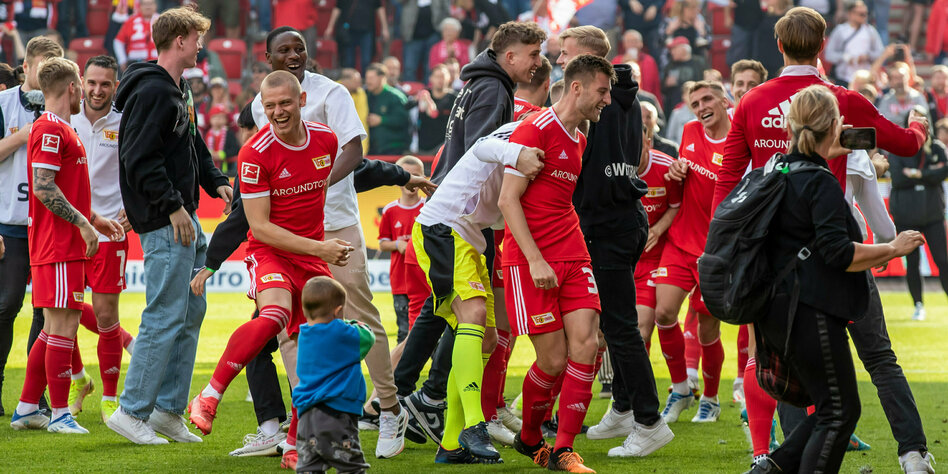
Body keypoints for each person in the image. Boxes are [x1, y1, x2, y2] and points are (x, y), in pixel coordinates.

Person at [713, 7, 934, 473]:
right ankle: (913, 453)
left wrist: (725, 249)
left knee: (791, 369)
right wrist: (919, 124)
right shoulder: (839, 99)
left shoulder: (752, 102)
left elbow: (727, 180)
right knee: (878, 358)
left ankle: (782, 461)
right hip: (838, 248)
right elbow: (905, 144)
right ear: (823, 44)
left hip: (778, 260)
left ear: (778, 46)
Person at [247, 26, 407, 464]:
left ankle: (389, 408)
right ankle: (308, 420)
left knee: (359, 313)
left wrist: (316, 185)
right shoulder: (262, 104)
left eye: (300, 47)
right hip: (289, 232)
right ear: (268, 58)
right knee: (290, 327)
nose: (294, 54)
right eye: (284, 49)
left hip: (335, 223)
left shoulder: (331, 92)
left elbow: (354, 151)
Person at [752, 84, 926, 474]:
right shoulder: (828, 178)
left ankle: (774, 465)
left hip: (781, 292)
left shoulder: (774, 166)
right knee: (867, 375)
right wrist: (891, 248)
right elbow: (842, 250)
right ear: (835, 125)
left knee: (813, 392)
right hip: (831, 287)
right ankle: (912, 452)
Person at [400, 20, 546, 451]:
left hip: (463, 226)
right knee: (472, 318)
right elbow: (482, 147)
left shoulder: (483, 85)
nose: (538, 63)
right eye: (533, 54)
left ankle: (441, 431)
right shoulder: (497, 92)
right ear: (509, 55)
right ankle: (455, 419)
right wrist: (516, 154)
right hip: (448, 223)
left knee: (477, 331)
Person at [187, 69, 351, 446]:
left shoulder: (326, 140)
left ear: (302, 101)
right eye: (270, 105)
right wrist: (321, 248)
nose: (278, 112)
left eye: (286, 103)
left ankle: (294, 443)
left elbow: (332, 184)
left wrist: (400, 177)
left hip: (311, 258)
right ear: (262, 107)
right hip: (272, 252)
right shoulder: (254, 153)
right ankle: (210, 395)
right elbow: (258, 227)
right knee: (274, 315)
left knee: (316, 353)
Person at [106, 5, 233, 446]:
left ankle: (166, 411)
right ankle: (132, 411)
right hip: (168, 220)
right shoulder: (153, 91)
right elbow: (138, 158)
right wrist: (174, 207)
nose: (202, 46)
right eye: (197, 39)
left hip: (184, 215)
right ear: (180, 40)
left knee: (190, 311)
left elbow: (191, 143)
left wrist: (215, 180)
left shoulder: (179, 89)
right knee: (164, 313)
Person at [552, 25, 673, 459]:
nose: (559, 60)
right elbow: (637, 160)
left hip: (606, 225)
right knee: (614, 323)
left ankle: (649, 421)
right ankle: (622, 406)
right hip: (627, 217)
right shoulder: (630, 98)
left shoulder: (591, 102)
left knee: (620, 326)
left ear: (587, 56)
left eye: (565, 52)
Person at [499, 54, 613, 473]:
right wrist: (534, 260)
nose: (607, 100)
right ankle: (530, 437)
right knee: (553, 361)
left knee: (588, 345)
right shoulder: (535, 128)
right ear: (576, 87)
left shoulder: (580, 137)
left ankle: (564, 449)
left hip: (572, 251)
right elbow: (507, 199)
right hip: (530, 260)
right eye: (602, 91)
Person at [11, 57, 124, 434]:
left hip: (62, 242)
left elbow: (64, 189)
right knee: (64, 325)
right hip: (57, 244)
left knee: (53, 328)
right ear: (73, 87)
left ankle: (28, 407)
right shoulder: (50, 128)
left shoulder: (59, 127)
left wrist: (94, 219)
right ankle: (60, 414)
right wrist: (83, 224)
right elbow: (44, 187)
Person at [653, 81, 729, 425]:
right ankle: (681, 389)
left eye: (707, 99)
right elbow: (682, 177)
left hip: (716, 252)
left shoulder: (738, 140)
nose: (701, 107)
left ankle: (710, 399)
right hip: (681, 240)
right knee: (664, 312)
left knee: (707, 331)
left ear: (724, 101)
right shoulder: (689, 131)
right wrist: (675, 173)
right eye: (695, 103)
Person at [66, 55, 134, 422]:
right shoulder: (65, 119)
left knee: (107, 317)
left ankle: (110, 398)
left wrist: (133, 209)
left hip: (110, 233)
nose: (97, 90)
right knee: (63, 311)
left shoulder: (125, 123)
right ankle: (79, 380)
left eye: (105, 84)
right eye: (91, 83)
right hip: (69, 229)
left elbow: (137, 171)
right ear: (81, 82)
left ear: (115, 86)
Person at [0, 36, 63, 418]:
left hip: (48, 225)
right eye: (43, 67)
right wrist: (24, 135)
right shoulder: (4, 102)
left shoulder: (65, 107)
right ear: (26, 68)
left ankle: (34, 398)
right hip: (9, 222)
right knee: (6, 306)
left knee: (46, 311)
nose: (49, 74)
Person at [294, 277, 374, 473]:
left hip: (306, 418)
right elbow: (368, 336)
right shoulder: (341, 332)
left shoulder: (304, 334)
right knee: (351, 467)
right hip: (336, 414)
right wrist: (351, 322)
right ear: (338, 311)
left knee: (310, 467)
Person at [888, 108, 948, 321]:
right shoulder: (898, 148)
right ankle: (918, 304)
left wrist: (916, 173)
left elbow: (944, 171)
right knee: (912, 262)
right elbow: (898, 178)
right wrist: (929, 174)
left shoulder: (937, 147)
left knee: (942, 260)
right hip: (906, 214)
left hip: (932, 212)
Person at [379, 156, 427, 343]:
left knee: (430, 331)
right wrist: (398, 245)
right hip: (401, 282)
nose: (411, 180)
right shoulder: (390, 210)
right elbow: (383, 243)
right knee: (404, 331)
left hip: (426, 281)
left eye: (416, 175)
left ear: (423, 177)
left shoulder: (428, 207)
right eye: (406, 175)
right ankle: (402, 362)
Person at [824, 0, 884, 86]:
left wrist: (868, 56)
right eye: (861, 14)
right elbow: (829, 54)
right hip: (843, 78)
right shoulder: (840, 31)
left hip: (864, 79)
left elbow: (880, 52)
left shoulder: (870, 31)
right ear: (850, 14)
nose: (864, 16)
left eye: (866, 14)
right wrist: (846, 57)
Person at [324, 0, 388, 72]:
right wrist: (330, 27)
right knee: (348, 61)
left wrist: (384, 28)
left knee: (366, 60)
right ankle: (349, 78)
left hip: (367, 31)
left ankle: (366, 78)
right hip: (349, 32)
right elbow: (337, 8)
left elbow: (379, 8)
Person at [365, 63, 412, 155]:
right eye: (367, 78)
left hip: (393, 149)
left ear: (382, 78)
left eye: (371, 78)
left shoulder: (396, 96)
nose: (368, 81)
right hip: (372, 149)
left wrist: (381, 120)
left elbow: (404, 120)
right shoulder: (365, 95)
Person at [416, 64, 458, 154]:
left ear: (449, 78)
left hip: (444, 148)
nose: (440, 80)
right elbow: (407, 106)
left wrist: (428, 100)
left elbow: (434, 113)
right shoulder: (423, 93)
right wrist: (418, 98)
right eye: (437, 76)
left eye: (442, 76)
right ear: (430, 78)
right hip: (423, 147)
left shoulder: (455, 98)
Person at [661, 37, 706, 117]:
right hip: (675, 109)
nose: (671, 52)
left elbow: (704, 82)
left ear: (684, 49)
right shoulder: (670, 66)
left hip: (697, 106)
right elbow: (663, 89)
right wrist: (666, 84)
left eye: (674, 49)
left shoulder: (699, 63)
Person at [877, 62, 929, 127]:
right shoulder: (886, 99)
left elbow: (923, 116)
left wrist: (897, 118)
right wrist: (908, 118)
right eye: (896, 78)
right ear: (890, 81)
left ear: (908, 77)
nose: (899, 81)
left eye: (902, 77)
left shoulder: (918, 97)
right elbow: (884, 120)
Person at [113, 0, 158, 73]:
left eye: (150, 4)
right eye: (145, 4)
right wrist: (122, 60)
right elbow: (118, 41)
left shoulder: (162, 20)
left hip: (157, 63)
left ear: (155, 6)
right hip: (135, 64)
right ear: (140, 6)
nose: (148, 7)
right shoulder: (130, 21)